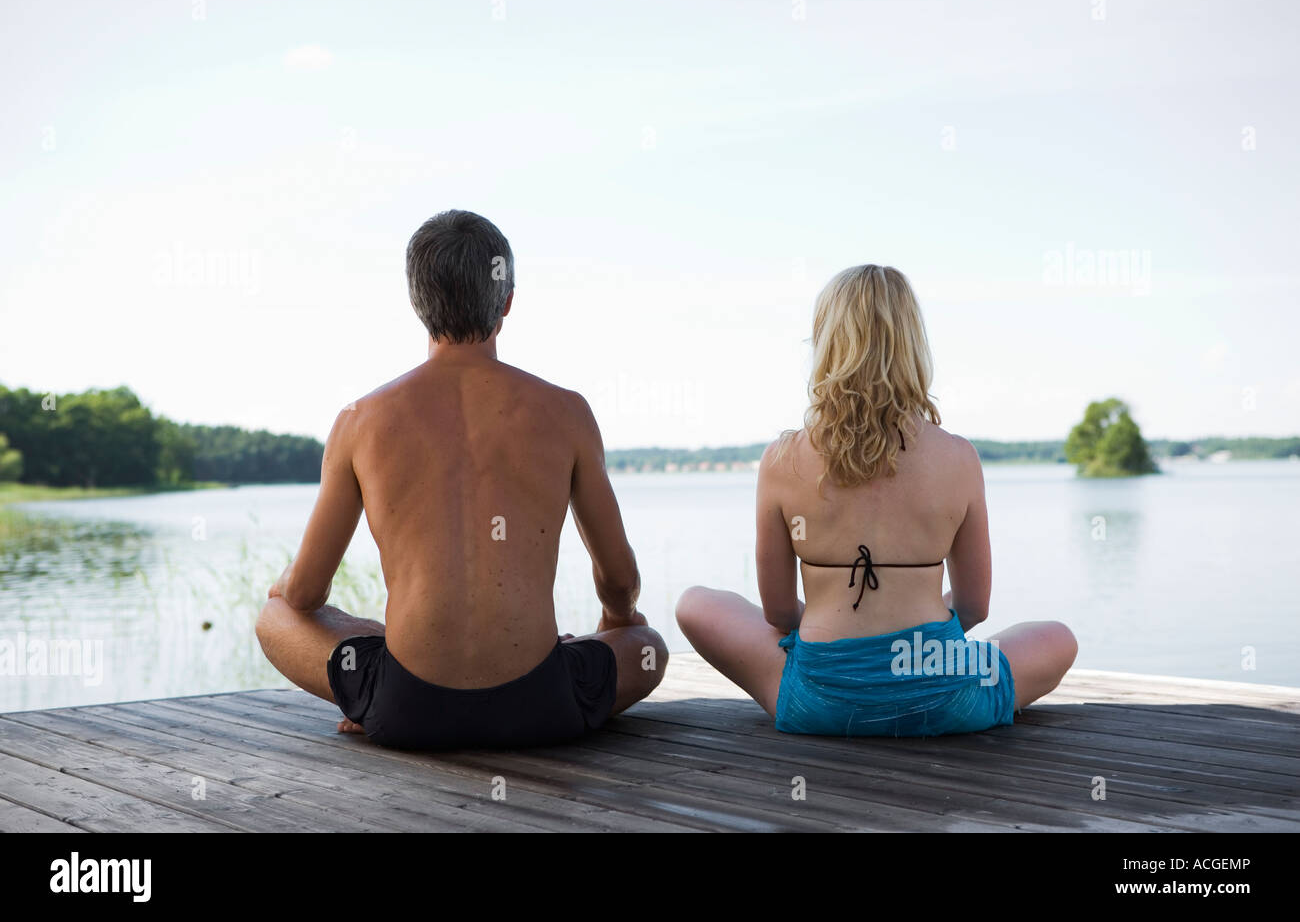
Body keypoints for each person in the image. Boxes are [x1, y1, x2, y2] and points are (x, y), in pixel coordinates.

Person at [256, 209, 667, 750]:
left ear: (416, 302)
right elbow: (618, 580)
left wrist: (286, 587)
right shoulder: (567, 413)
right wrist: (614, 627)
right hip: (543, 708)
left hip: (407, 712)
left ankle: (377, 686)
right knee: (649, 646)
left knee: (273, 617)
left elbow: (305, 594)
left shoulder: (360, 421)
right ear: (508, 300)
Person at [676, 264, 1076, 737]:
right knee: (1058, 638)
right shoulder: (958, 457)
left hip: (820, 700)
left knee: (694, 604)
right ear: (911, 344)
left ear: (826, 344)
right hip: (943, 692)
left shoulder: (781, 460)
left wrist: (844, 648)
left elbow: (779, 614)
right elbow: (974, 607)